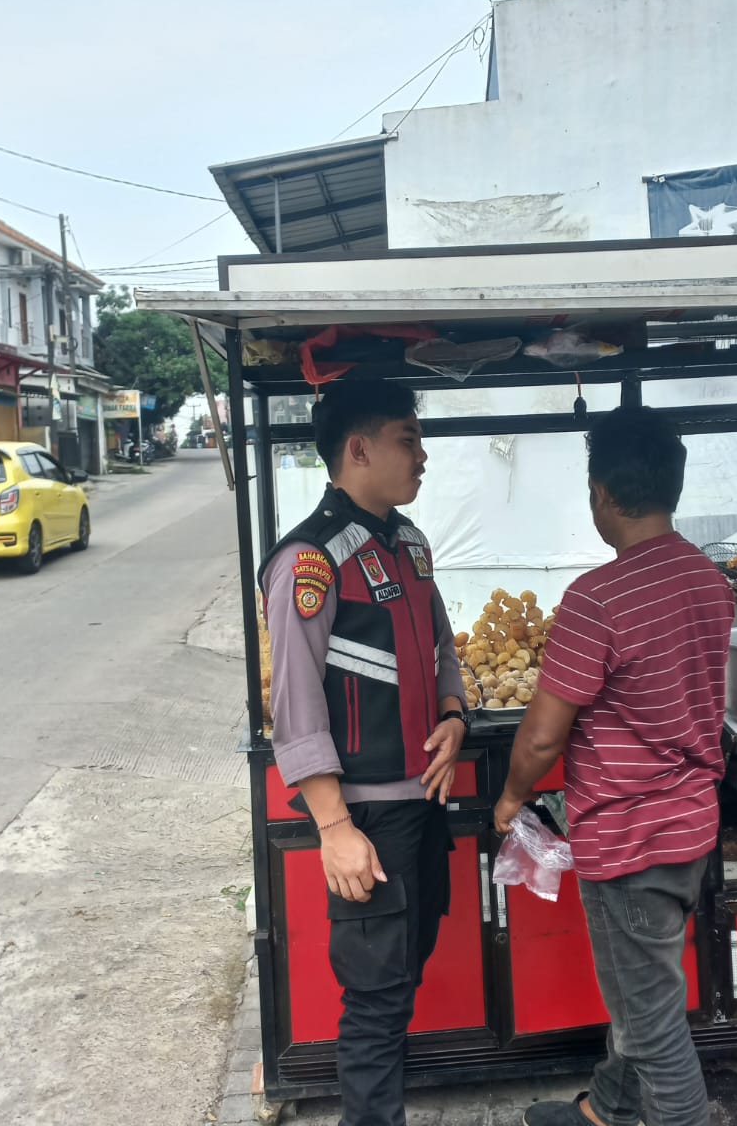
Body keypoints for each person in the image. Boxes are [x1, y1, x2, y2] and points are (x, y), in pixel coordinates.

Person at [494, 405, 734, 1126]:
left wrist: (510, 797)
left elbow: (541, 737)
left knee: (651, 1022)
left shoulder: (595, 600)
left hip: (628, 841)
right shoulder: (710, 582)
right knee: (644, 992)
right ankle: (609, 1107)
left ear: (600, 494)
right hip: (688, 828)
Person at [258, 379, 469, 1126]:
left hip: (422, 808)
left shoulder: (410, 544)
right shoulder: (309, 560)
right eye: (408, 440)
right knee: (376, 1003)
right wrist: (334, 827)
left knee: (401, 983)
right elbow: (294, 706)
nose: (423, 457)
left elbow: (443, 646)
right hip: (367, 821)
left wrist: (453, 714)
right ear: (359, 450)